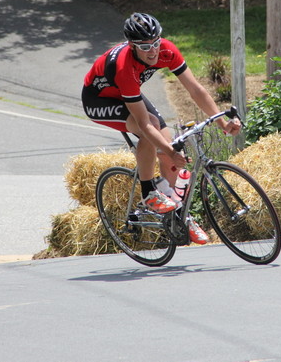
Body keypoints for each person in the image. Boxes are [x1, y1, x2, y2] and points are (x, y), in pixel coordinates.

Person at [82, 13, 241, 244]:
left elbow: (195, 89)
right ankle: (149, 194)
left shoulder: (166, 50)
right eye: (145, 46)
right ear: (132, 45)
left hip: (129, 94)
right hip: (100, 100)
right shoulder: (124, 66)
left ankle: (178, 215)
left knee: (170, 156)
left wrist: (222, 123)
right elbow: (145, 124)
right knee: (153, 130)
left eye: (155, 43)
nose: (153, 51)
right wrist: (168, 149)